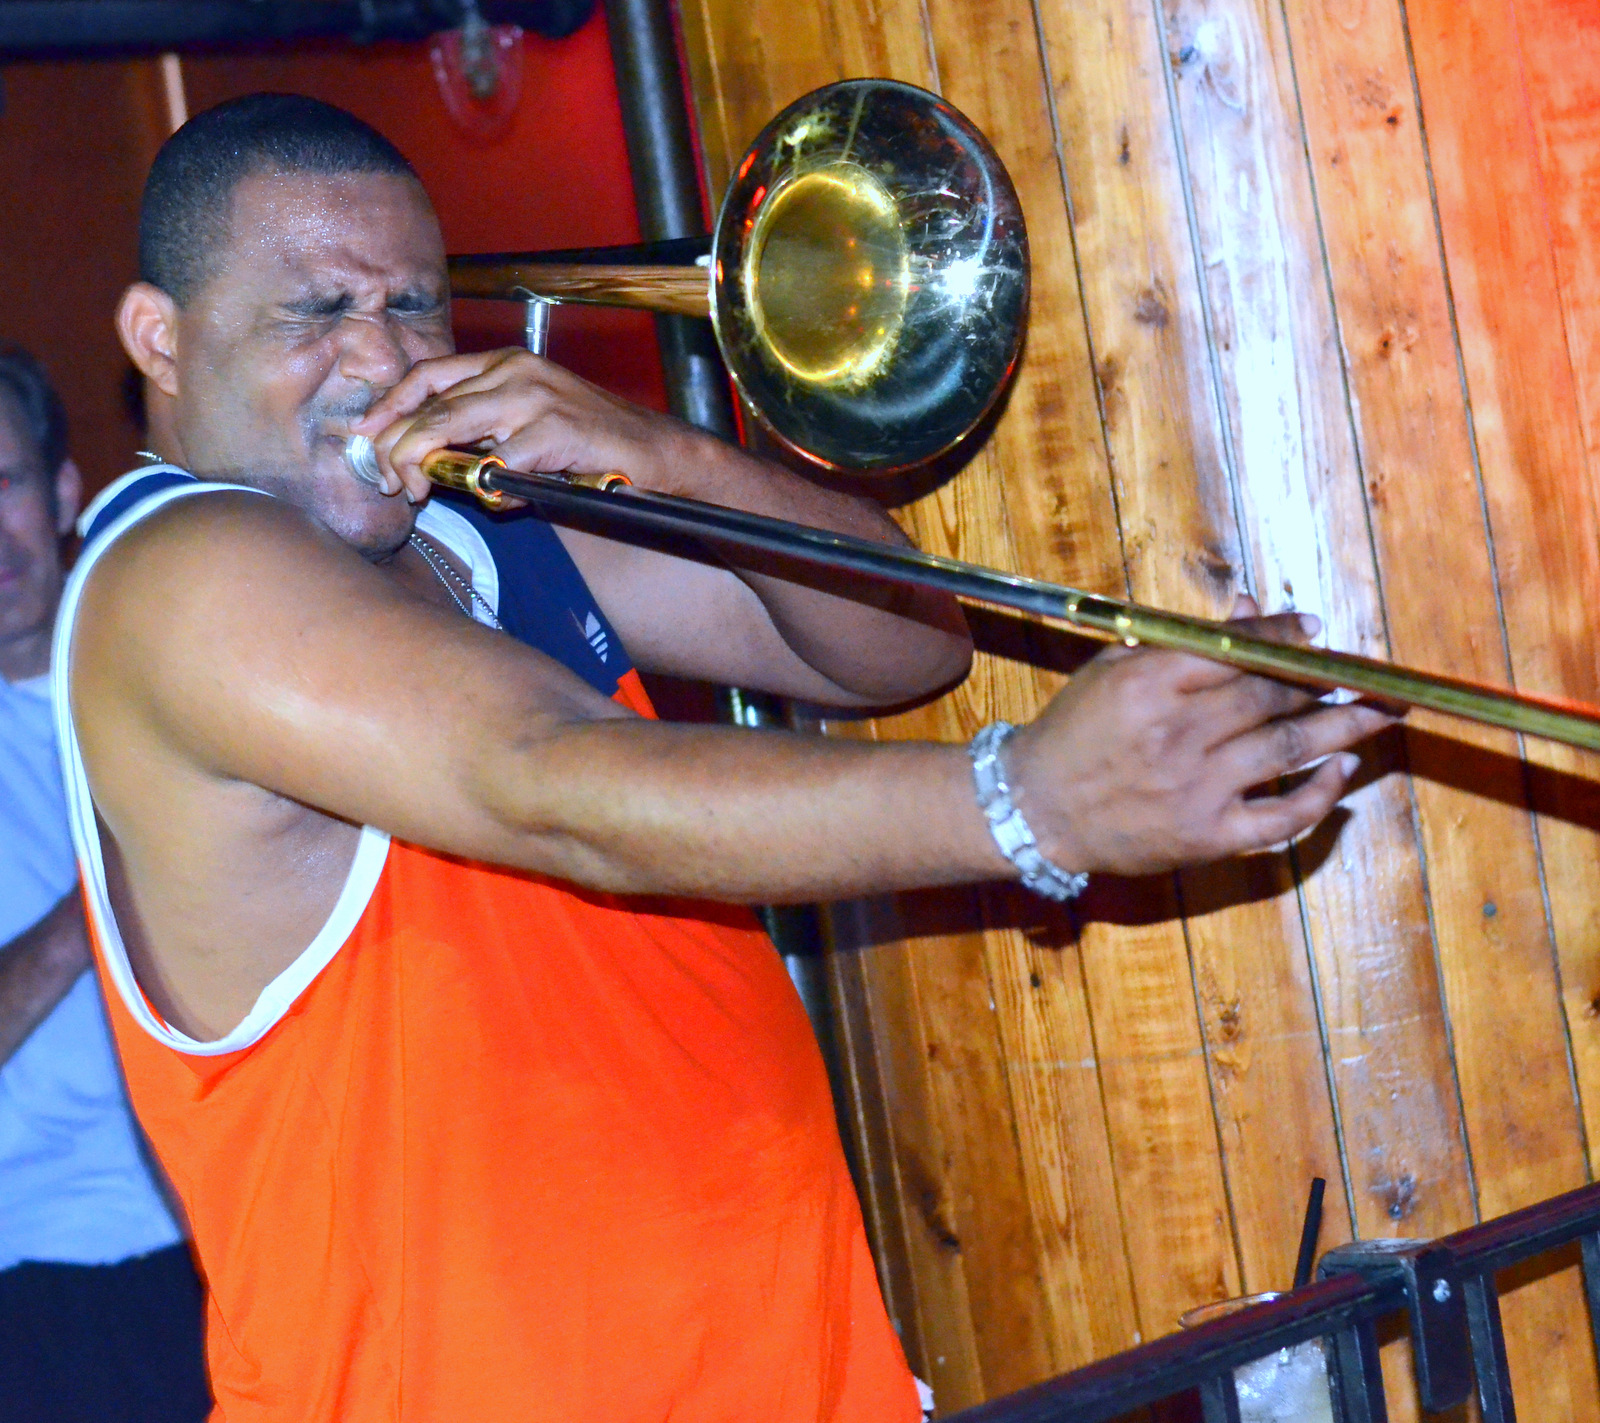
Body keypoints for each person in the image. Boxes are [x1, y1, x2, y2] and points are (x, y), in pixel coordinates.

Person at [58, 95, 1391, 1422]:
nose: (377, 360)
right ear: (159, 338)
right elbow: (540, 776)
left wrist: (656, 449)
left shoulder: (478, 530)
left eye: (412, 307)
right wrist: (1026, 802)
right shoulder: (179, 572)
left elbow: (894, 642)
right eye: (312, 312)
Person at [0, 345, 209, 1422]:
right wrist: (126, 864)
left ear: (64, 489)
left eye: (3, 486)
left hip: (245, 1225)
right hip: (47, 1279)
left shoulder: (169, 664)